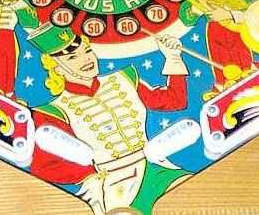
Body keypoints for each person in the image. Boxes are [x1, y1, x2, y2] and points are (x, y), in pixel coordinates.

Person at [28, 23, 192, 215]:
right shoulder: (54, 111)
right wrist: (91, 175)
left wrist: (172, 57)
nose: (86, 59)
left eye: (87, 51)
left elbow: (175, 100)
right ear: (57, 69)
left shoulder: (124, 79)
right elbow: (43, 166)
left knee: (189, 197)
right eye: (72, 57)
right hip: (113, 186)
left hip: (157, 168)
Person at [179, 0, 257, 98]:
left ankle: (251, 77)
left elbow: (253, 13)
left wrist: (229, 14)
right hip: (214, 29)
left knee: (242, 55)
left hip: (237, 28)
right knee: (220, 59)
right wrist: (197, 7)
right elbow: (186, 19)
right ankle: (224, 87)